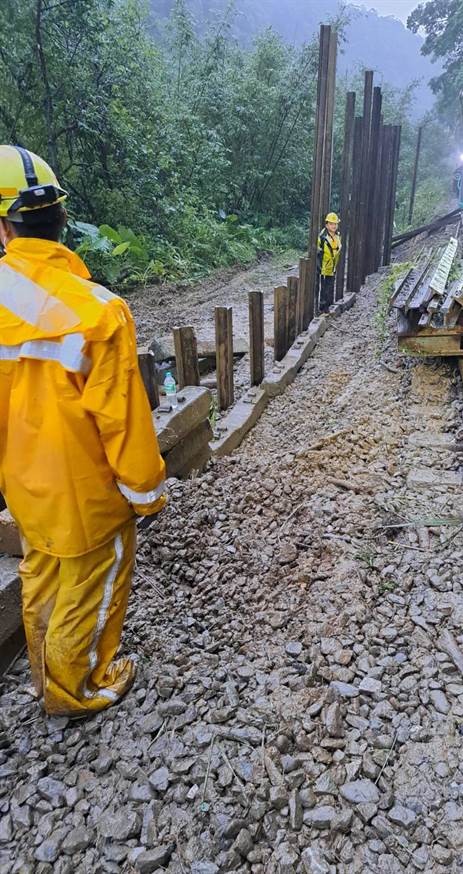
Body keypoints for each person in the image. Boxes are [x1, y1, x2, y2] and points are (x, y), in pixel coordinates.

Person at [0, 145, 167, 717]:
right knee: (92, 583)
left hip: (24, 488)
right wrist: (146, 493)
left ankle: (44, 675)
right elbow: (123, 420)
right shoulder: (97, 311)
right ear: (61, 219)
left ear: (4, 229)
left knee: (42, 573)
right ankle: (78, 689)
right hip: (87, 494)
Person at [316, 212, 341, 314]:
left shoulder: (337, 236)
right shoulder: (322, 237)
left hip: (332, 267)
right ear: (326, 225)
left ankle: (328, 306)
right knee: (324, 288)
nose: (333, 226)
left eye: (335, 224)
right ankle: (322, 308)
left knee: (330, 287)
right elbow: (317, 252)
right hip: (323, 268)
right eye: (331, 224)